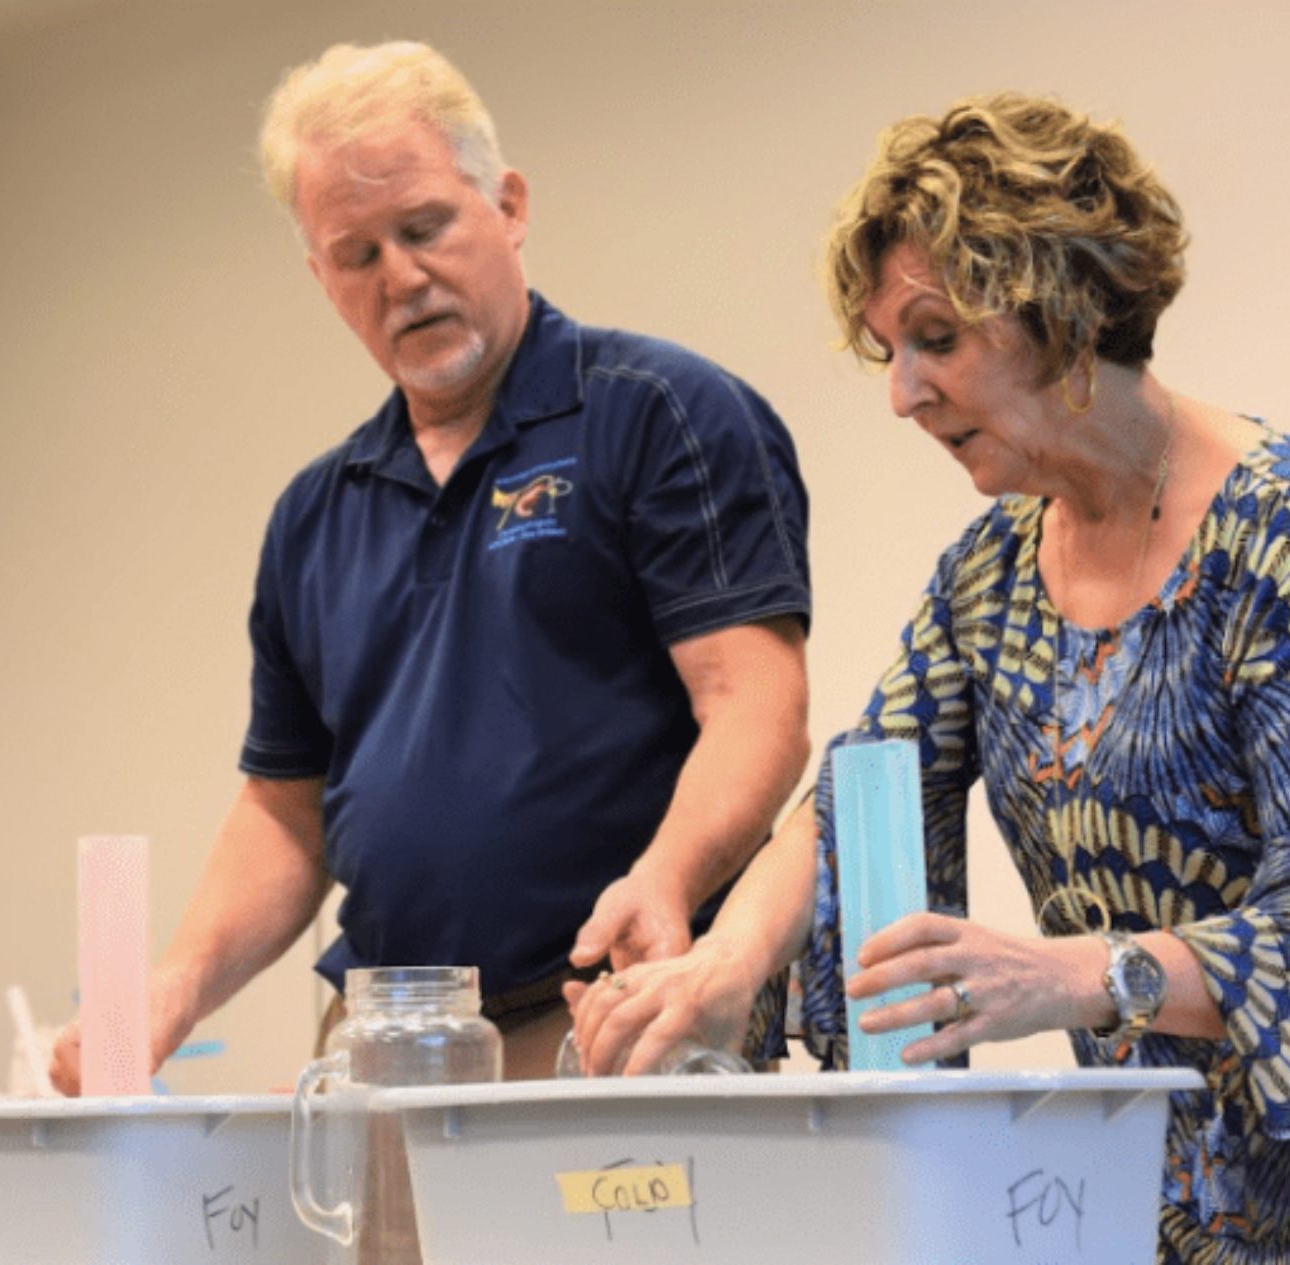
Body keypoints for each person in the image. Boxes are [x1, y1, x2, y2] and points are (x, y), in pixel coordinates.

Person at [566, 93, 1290, 1263]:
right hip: (1173, 1174)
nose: (902, 392)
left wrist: (1067, 973)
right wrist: (722, 967)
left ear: (1059, 307)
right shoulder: (995, 572)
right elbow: (858, 787)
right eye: (890, 351)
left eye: (937, 338)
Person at [50, 40, 811, 1090]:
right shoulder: (316, 515)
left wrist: (666, 879)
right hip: (388, 1039)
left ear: (507, 205)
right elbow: (285, 809)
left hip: (617, 1013)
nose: (401, 278)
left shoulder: (660, 413)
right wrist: (176, 984)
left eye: (425, 228)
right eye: (358, 255)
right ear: (321, 279)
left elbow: (756, 704)